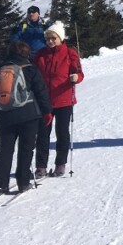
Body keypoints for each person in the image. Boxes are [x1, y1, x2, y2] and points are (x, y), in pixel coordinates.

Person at [0, 40, 52, 195]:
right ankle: (23, 182)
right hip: (28, 115)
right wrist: (47, 112)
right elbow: (41, 93)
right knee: (25, 149)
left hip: (4, 116)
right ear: (27, 54)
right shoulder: (31, 69)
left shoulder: (1, 69)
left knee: (5, 150)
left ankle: (0, 184)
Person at [33, 23, 84, 178]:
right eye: (48, 38)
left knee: (62, 133)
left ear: (60, 38)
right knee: (42, 134)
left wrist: (76, 77)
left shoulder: (69, 53)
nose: (50, 41)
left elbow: (79, 73)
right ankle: (41, 166)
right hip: (44, 101)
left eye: (53, 38)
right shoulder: (40, 55)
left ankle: (60, 164)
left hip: (64, 100)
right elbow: (34, 74)